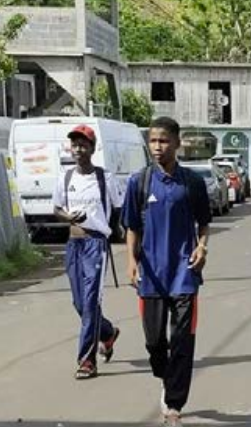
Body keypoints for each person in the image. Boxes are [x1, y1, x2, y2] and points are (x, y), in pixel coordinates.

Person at [123, 117, 212, 426]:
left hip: (185, 274)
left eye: (163, 140)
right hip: (151, 275)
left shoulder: (193, 183)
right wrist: (131, 262)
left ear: (176, 142)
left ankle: (174, 405)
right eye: (152, 141)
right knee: (154, 342)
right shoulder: (139, 182)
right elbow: (132, 227)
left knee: (184, 341)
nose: (157, 146)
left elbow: (204, 223)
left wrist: (202, 247)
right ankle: (165, 376)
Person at [52, 124, 120, 380]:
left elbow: (119, 208)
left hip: (95, 245)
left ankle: (86, 360)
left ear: (92, 148)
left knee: (91, 302)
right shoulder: (65, 178)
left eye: (84, 145)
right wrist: (67, 216)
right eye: (75, 145)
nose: (78, 149)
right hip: (74, 245)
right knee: (80, 304)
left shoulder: (105, 178)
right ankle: (107, 333)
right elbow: (57, 208)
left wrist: (111, 236)